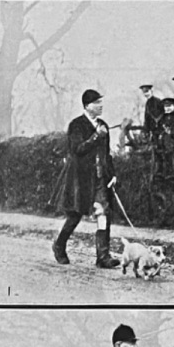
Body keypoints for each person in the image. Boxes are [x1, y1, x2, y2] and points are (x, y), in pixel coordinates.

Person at [52, 88, 119, 268]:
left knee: (103, 212)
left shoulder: (103, 124)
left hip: (99, 178)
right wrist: (97, 136)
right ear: (87, 106)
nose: (100, 106)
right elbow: (78, 150)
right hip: (80, 179)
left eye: (100, 102)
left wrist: (112, 174)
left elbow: (107, 154)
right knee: (75, 215)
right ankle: (59, 245)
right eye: (97, 103)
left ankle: (103, 256)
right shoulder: (76, 125)